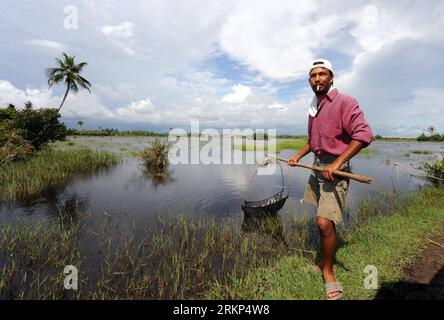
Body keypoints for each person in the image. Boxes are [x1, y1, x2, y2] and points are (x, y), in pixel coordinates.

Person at [288, 59, 373, 300]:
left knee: (324, 223)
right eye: (313, 75)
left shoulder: (346, 102)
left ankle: (328, 270)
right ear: (309, 81)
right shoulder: (313, 109)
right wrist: (296, 156)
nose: (317, 79)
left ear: (331, 77)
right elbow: (312, 141)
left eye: (322, 74)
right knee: (322, 220)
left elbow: (364, 135)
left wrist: (336, 164)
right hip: (317, 167)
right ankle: (324, 259)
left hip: (336, 170)